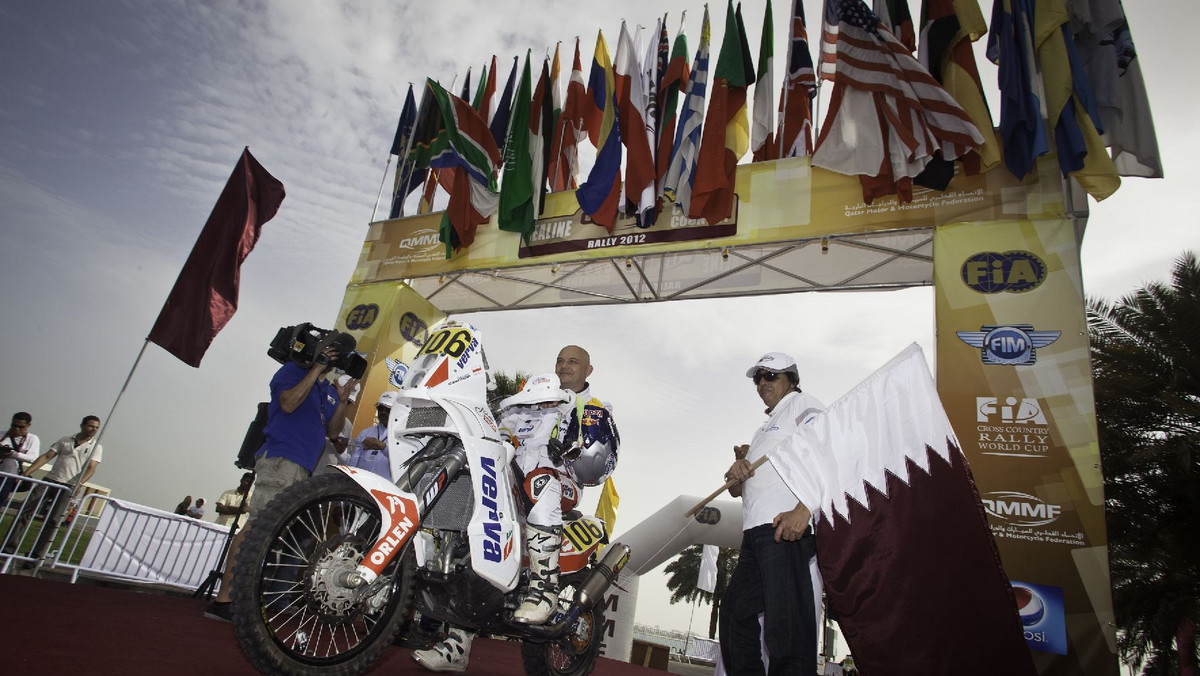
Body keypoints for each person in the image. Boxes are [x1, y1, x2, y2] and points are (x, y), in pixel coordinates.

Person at [413, 345, 619, 673]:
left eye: (573, 362)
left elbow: (602, 459)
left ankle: (545, 588)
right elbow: (500, 432)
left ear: (588, 371)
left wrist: (575, 448)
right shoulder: (528, 398)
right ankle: (457, 644)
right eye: (560, 360)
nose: (565, 366)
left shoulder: (592, 408)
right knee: (473, 526)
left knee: (540, 482)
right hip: (509, 480)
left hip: (558, 482)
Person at [203, 338, 358, 622]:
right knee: (258, 526)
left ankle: (246, 596)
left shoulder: (329, 391)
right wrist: (315, 370)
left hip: (304, 469)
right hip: (281, 458)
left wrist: (343, 400)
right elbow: (287, 404)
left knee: (274, 532)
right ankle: (224, 600)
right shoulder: (293, 370)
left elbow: (334, 433)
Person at [718, 352, 825, 676]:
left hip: (783, 527)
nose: (763, 382)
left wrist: (804, 508)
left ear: (791, 379)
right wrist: (736, 472)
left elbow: (828, 450)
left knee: (787, 631)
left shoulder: (803, 404)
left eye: (771, 375)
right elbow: (738, 489)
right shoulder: (764, 429)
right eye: (758, 377)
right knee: (736, 615)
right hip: (755, 532)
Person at [4, 415, 103, 560]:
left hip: (68, 487)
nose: (93, 430)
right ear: (82, 425)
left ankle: (37, 555)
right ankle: (8, 549)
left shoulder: (96, 447)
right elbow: (47, 456)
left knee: (54, 520)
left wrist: (79, 484)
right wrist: (27, 472)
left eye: (96, 427)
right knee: (26, 511)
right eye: (90, 426)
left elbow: (91, 468)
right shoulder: (65, 440)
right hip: (49, 480)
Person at [347, 391, 397, 477]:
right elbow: (354, 458)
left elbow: (400, 459)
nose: (383, 412)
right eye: (381, 408)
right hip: (361, 482)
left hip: (384, 486)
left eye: (388, 409)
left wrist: (383, 447)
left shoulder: (401, 437)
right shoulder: (366, 433)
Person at [0, 412, 40, 506]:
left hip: (9, 476)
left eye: (21, 427)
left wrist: (13, 454)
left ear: (28, 425)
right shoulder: (2, 435)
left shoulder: (32, 439)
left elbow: (32, 458)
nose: (16, 429)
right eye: (14, 425)